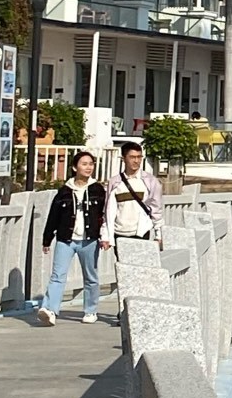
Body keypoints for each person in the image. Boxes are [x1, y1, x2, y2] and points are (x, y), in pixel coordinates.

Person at [36, 151, 107, 324]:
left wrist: (105, 236)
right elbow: (54, 216)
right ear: (75, 167)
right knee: (57, 275)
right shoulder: (64, 191)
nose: (88, 167)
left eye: (91, 164)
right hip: (66, 239)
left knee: (90, 277)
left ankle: (90, 311)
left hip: (89, 239)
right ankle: (50, 310)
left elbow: (104, 214)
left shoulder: (98, 190)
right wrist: (47, 239)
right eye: (84, 164)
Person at [110, 138, 164, 256]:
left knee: (140, 264)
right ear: (123, 159)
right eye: (132, 157)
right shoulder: (115, 182)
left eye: (139, 157)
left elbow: (156, 209)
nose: (136, 161)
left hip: (141, 231)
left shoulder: (150, 181)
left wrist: (159, 234)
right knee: (122, 265)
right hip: (119, 232)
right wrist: (106, 234)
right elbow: (108, 210)